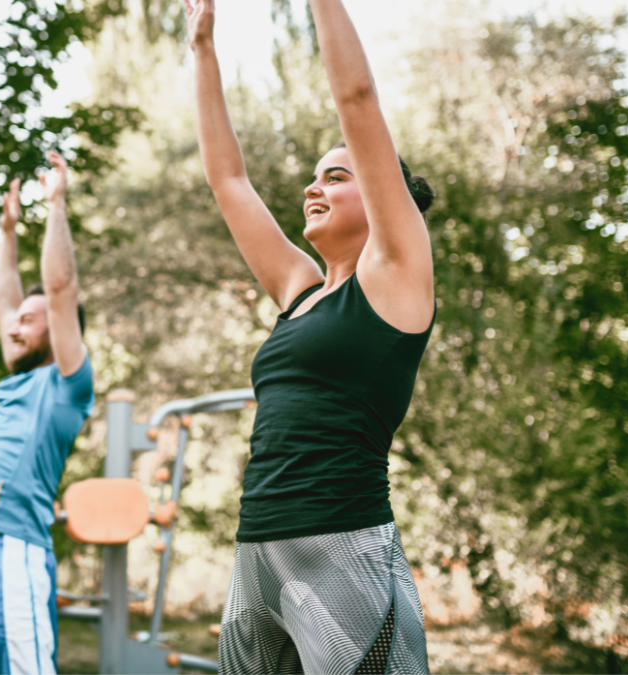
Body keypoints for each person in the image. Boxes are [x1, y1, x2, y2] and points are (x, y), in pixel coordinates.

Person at [183, 0, 437, 672]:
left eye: (336, 175)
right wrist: (204, 49)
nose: (310, 186)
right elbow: (228, 178)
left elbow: (356, 97)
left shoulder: (396, 276)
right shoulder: (300, 289)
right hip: (257, 551)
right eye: (314, 175)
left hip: (343, 550)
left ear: (386, 198)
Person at [0, 153, 94, 675]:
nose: (12, 327)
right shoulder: (17, 382)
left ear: (58, 325)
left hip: (12, 552)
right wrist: (7, 233)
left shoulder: (66, 385)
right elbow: (6, 295)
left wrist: (55, 206)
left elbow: (59, 288)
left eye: (29, 321)